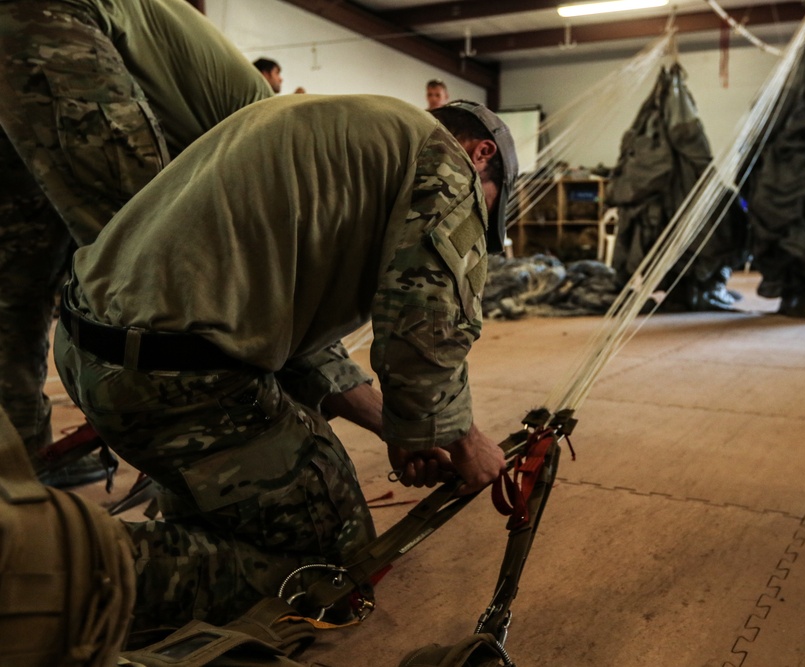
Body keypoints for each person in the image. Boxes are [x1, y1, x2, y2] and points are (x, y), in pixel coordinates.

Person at [54, 95, 518, 632]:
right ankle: (42, 567)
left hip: (92, 349)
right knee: (331, 570)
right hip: (176, 381)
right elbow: (428, 329)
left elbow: (301, 336)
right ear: (481, 154)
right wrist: (463, 441)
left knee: (270, 506)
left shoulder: (357, 134)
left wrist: (405, 427)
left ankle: (183, 527)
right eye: (489, 206)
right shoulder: (449, 166)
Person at [0, 0, 273, 487]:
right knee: (151, 266)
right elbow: (202, 273)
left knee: (12, 294)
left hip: (27, 41)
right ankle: (206, 463)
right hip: (49, 25)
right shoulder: (269, 139)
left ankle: (18, 477)